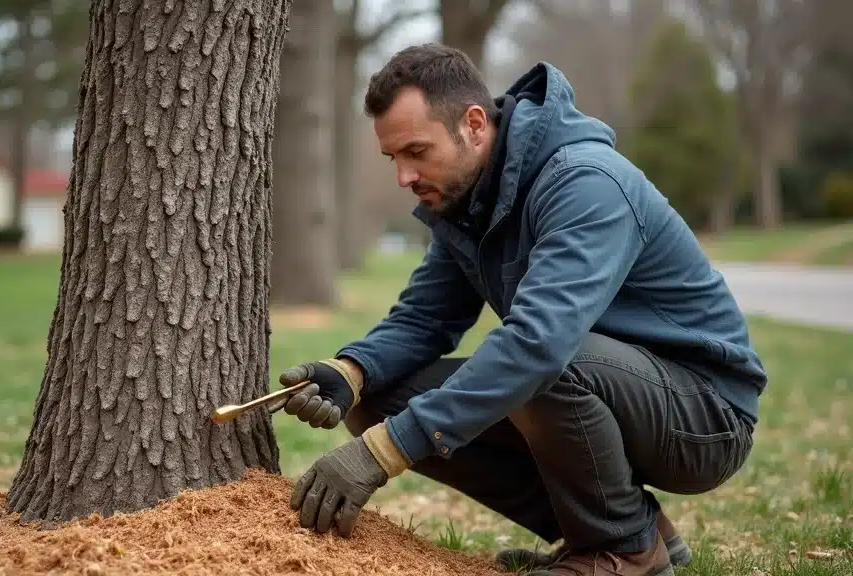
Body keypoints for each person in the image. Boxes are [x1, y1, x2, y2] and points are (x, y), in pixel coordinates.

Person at [275, 44, 767, 576]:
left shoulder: (585, 182)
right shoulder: (466, 200)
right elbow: (424, 320)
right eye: (395, 158)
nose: (405, 178)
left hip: (704, 415)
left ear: (474, 123)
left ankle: (624, 552)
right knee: (381, 398)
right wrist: (351, 372)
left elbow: (539, 344)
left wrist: (383, 453)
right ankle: (622, 530)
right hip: (598, 383)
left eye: (418, 151)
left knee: (543, 362)